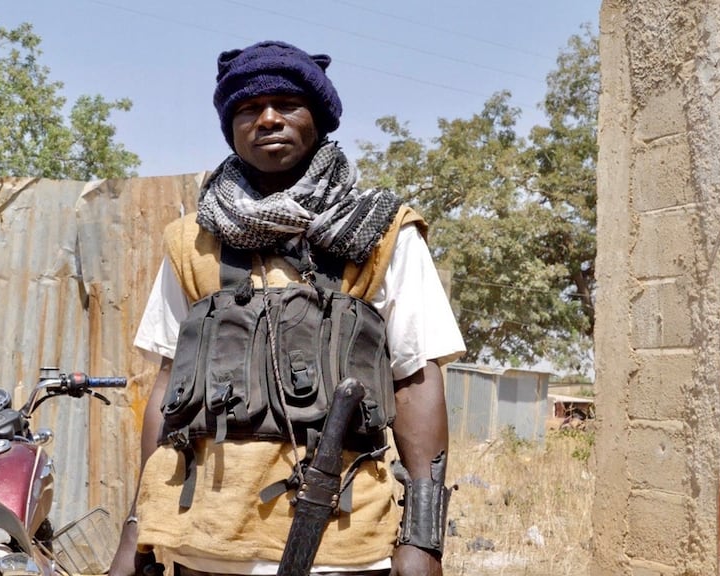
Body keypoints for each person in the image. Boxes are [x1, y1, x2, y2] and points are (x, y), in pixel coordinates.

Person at [110, 40, 465, 576]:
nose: (268, 119)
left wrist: (423, 537)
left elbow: (415, 380)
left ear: (318, 119)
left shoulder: (383, 232)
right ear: (231, 126)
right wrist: (138, 526)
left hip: (343, 544)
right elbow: (167, 383)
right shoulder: (189, 242)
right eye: (249, 109)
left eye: (287, 105)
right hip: (203, 540)